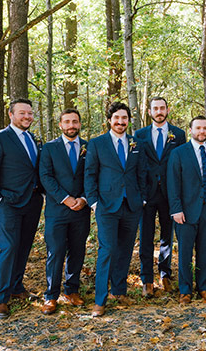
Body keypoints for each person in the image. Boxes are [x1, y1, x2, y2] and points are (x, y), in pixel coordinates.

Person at [0, 98, 43, 319]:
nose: (27, 117)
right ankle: (0, 298)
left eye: (30, 113)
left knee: (24, 247)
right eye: (22, 113)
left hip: (33, 202)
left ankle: (16, 287)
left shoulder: (34, 139)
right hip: (9, 203)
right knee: (9, 248)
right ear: (11, 114)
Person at [84, 102, 147, 316]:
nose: (120, 122)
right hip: (106, 205)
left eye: (124, 118)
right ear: (109, 120)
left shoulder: (136, 144)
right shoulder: (97, 144)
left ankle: (119, 291)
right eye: (117, 118)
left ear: (128, 120)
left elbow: (142, 173)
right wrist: (94, 202)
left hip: (132, 205)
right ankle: (100, 300)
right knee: (107, 250)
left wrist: (142, 199)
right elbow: (90, 174)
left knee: (125, 250)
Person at [38, 109, 89, 314]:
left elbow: (93, 175)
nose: (71, 125)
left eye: (75, 121)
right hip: (57, 210)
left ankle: (72, 290)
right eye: (67, 122)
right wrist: (65, 198)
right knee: (56, 251)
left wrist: (84, 198)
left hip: (81, 209)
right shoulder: (49, 148)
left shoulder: (88, 147)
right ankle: (51, 295)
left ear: (79, 124)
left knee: (77, 250)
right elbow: (45, 176)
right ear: (60, 125)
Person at [134, 97, 186, 297]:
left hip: (169, 192)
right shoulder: (140, 135)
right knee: (146, 236)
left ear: (167, 110)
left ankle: (165, 274)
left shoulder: (178, 134)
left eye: (162, 108)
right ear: (149, 112)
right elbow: (137, 163)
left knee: (167, 236)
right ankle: (147, 279)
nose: (159, 111)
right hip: (147, 193)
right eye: (155, 108)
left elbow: (180, 164)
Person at [167, 116, 206, 304]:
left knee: (205, 250)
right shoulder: (179, 153)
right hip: (185, 210)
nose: (202, 131)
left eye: (205, 128)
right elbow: (172, 182)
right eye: (198, 128)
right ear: (190, 130)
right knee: (185, 251)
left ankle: (203, 287)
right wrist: (176, 209)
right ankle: (185, 290)